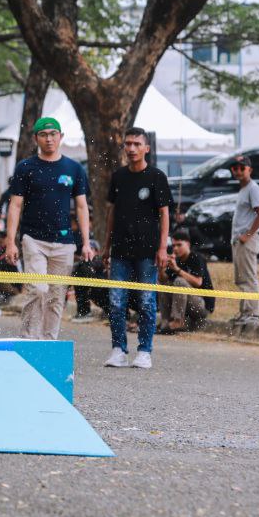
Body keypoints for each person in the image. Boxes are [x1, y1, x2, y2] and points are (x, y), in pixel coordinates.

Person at [5, 116, 93, 340]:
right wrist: (10, 242)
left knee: (56, 296)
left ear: (61, 136)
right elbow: (15, 205)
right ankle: (29, 340)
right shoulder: (25, 167)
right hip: (33, 238)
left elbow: (82, 206)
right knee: (37, 289)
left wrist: (86, 242)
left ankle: (49, 342)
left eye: (53, 134)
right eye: (43, 135)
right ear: (36, 138)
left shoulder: (74, 168)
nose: (49, 139)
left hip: (64, 242)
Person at [101, 127, 171, 369]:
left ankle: (144, 350)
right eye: (128, 144)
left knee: (146, 301)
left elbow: (164, 214)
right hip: (120, 250)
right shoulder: (118, 177)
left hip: (147, 251)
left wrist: (162, 248)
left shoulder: (157, 177)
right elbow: (112, 212)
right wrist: (106, 246)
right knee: (116, 301)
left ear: (146, 148)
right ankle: (118, 349)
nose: (131, 148)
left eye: (137, 144)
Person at [229, 155, 259, 325]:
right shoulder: (243, 189)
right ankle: (245, 312)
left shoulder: (253, 188)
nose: (238, 171)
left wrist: (248, 235)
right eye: (235, 168)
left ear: (250, 170)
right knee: (241, 279)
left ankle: (253, 314)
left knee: (249, 277)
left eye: (242, 168)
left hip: (247, 240)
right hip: (239, 240)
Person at [160, 229, 215, 334]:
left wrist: (177, 269)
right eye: (174, 245)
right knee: (164, 285)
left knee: (179, 281)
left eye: (179, 245)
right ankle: (165, 321)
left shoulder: (196, 257)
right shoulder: (176, 260)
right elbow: (163, 279)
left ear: (188, 244)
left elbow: (198, 282)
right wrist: (161, 267)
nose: (175, 248)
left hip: (202, 306)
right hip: (186, 306)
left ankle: (178, 321)